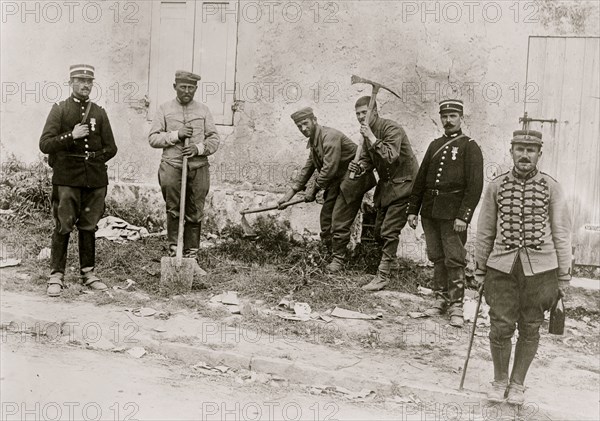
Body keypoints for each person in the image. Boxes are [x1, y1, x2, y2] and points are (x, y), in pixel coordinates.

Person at [475, 129, 572, 405]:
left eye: (531, 150)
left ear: (539, 154)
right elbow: (485, 231)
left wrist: (564, 275)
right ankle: (499, 380)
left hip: (541, 271)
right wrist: (480, 269)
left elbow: (562, 233)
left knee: (530, 327)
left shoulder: (552, 187)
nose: (525, 155)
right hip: (501, 268)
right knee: (500, 325)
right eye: (519, 149)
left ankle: (518, 384)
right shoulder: (496, 186)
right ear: (511, 152)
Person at [39, 64, 118, 297]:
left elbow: (111, 148)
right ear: (70, 82)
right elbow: (45, 144)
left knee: (89, 225)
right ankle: (56, 275)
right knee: (63, 225)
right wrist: (70, 136)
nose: (85, 85)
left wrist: (94, 159)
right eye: (80, 81)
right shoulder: (60, 110)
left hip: (94, 179)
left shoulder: (99, 112)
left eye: (89, 81)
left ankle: (88, 273)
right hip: (67, 177)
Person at [407, 99, 484, 326]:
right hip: (430, 212)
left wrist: (464, 216)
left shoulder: (470, 146)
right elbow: (421, 180)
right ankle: (439, 300)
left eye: (453, 116)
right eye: (444, 116)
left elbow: (475, 186)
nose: (448, 120)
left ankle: (456, 306)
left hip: (453, 215)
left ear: (461, 118)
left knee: (455, 259)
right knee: (437, 257)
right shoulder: (434, 145)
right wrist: (413, 210)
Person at [278, 107, 371, 269]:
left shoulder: (330, 136)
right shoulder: (314, 142)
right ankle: (328, 253)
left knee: (339, 220)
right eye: (299, 126)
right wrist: (289, 194)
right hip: (338, 181)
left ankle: (339, 260)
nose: (303, 129)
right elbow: (308, 168)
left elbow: (329, 169)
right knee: (326, 218)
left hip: (354, 179)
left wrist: (312, 190)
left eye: (305, 123)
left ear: (314, 120)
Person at [348, 96, 419, 291]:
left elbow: (390, 156)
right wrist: (360, 166)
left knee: (389, 231)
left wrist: (371, 137)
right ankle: (392, 263)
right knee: (379, 231)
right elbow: (368, 161)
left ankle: (382, 276)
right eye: (358, 114)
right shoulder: (366, 135)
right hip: (387, 187)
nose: (361, 117)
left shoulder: (391, 129)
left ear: (375, 112)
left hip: (405, 186)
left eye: (365, 112)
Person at [149, 70, 220, 257]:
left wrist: (198, 148)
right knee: (173, 210)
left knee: (195, 211)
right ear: (175, 87)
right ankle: (175, 252)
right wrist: (176, 135)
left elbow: (214, 139)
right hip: (172, 166)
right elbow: (153, 139)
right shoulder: (164, 109)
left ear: (196, 89)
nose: (187, 91)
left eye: (191, 87)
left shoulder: (203, 110)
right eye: (183, 87)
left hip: (198, 168)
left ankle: (191, 255)